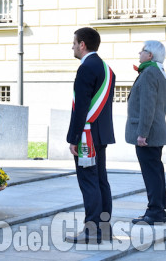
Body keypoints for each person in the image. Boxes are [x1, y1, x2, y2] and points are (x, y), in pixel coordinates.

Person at [65, 27, 116, 244]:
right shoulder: (107, 68)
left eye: (74, 43)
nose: (73, 46)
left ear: (83, 44)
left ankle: (91, 230)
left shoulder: (86, 68)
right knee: (101, 180)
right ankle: (104, 228)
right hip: (101, 133)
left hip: (87, 135)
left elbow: (82, 106)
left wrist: (74, 137)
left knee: (89, 182)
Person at [126, 40, 166, 225]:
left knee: (152, 173)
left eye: (142, 51)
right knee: (156, 171)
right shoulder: (159, 71)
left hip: (148, 134)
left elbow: (148, 106)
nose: (139, 53)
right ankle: (158, 210)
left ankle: (155, 212)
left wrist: (142, 133)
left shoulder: (149, 72)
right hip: (156, 130)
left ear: (149, 55)